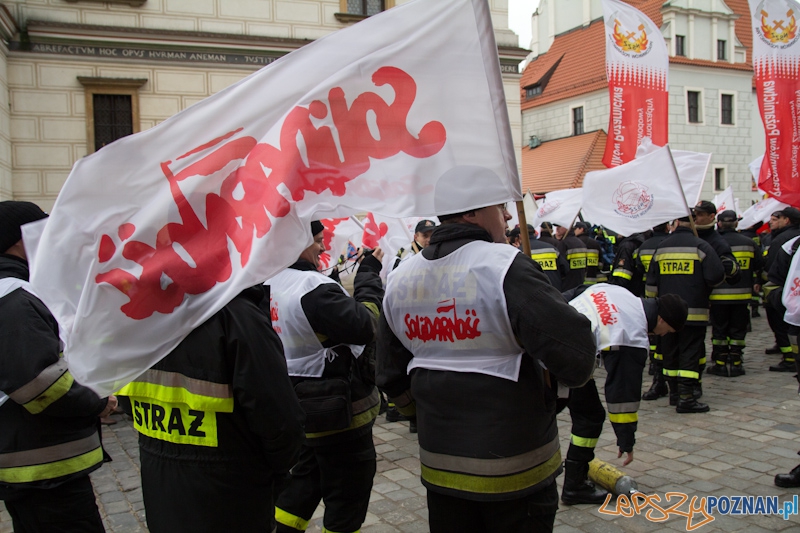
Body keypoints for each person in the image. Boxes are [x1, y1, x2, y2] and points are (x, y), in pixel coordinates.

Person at [377, 203, 597, 533]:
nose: (508, 217)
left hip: (440, 467)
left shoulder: (400, 276)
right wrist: (552, 395)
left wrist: (424, 416)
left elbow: (389, 375)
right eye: (501, 207)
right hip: (518, 469)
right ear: (472, 212)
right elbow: (576, 357)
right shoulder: (505, 266)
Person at [117, 285, 305, 530]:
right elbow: (281, 423)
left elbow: (128, 401)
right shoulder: (238, 317)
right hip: (231, 495)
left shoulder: (135, 314)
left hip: (161, 489)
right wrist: (274, 472)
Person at [0, 201, 117, 533]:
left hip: (32, 465)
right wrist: (97, 402)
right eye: (44, 231)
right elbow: (41, 385)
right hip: (44, 471)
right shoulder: (13, 297)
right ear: (20, 241)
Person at [269, 221, 384, 533]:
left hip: (300, 406)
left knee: (303, 485)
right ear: (298, 240)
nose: (322, 247)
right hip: (339, 414)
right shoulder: (312, 288)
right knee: (347, 498)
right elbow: (367, 325)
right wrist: (368, 276)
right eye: (317, 240)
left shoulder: (268, 281)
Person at [560, 284, 688, 504]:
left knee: (579, 411)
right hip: (563, 352)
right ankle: (574, 486)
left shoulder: (621, 293)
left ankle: (572, 480)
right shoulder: (631, 334)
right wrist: (626, 440)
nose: (663, 335)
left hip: (554, 337)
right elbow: (623, 396)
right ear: (662, 320)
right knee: (589, 417)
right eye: (668, 331)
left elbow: (578, 291)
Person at [646, 213, 725, 413]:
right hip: (695, 312)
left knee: (670, 353)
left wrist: (656, 308)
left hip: (666, 315)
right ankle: (687, 397)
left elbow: (651, 284)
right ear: (693, 222)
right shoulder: (701, 246)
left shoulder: (661, 248)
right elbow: (716, 276)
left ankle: (674, 393)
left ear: (675, 223)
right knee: (690, 353)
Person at [706, 210, 762, 377]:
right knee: (738, 330)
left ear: (719, 223)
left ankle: (720, 363)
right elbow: (759, 265)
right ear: (737, 223)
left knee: (719, 331)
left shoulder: (712, 243)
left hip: (718, 296)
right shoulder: (749, 243)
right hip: (742, 297)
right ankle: (737, 363)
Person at [693, 201, 741, 386]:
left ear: (712, 216)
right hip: (693, 297)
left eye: (700, 214)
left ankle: (721, 361)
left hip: (712, 298)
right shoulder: (691, 237)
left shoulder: (717, 242)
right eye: (694, 214)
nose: (696, 218)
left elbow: (733, 272)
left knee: (718, 332)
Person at [763, 208, 800, 371]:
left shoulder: (784, 242)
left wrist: (780, 300)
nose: (770, 222)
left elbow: (772, 270)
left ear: (787, 220)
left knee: (782, 328)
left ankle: (790, 358)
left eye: (776, 219)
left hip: (790, 305)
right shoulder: (792, 242)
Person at [510, 224, 567, 290]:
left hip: (533, 292)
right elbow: (565, 270)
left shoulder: (518, 252)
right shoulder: (552, 248)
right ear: (534, 234)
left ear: (520, 236)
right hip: (555, 291)